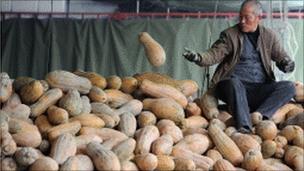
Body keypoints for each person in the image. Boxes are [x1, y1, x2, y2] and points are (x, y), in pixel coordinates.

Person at [183, 0, 295, 133]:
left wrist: (287, 64)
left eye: (247, 17)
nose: (242, 21)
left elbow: (282, 57)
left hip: (258, 88)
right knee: (234, 83)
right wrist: (198, 57)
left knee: (289, 87)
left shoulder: (269, 36)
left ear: (258, 18)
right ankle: (244, 127)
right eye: (240, 16)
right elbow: (214, 54)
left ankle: (260, 116)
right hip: (232, 87)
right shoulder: (230, 35)